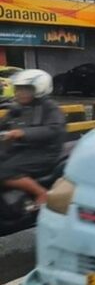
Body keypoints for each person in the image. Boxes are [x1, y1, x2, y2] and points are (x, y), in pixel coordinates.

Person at [0, 70, 65, 206]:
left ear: (38, 89)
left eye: (25, 89)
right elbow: (3, 124)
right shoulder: (17, 108)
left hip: (43, 153)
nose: (19, 93)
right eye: (18, 89)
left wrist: (23, 133)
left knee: (3, 171)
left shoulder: (49, 107)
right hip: (18, 150)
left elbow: (54, 129)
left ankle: (40, 193)